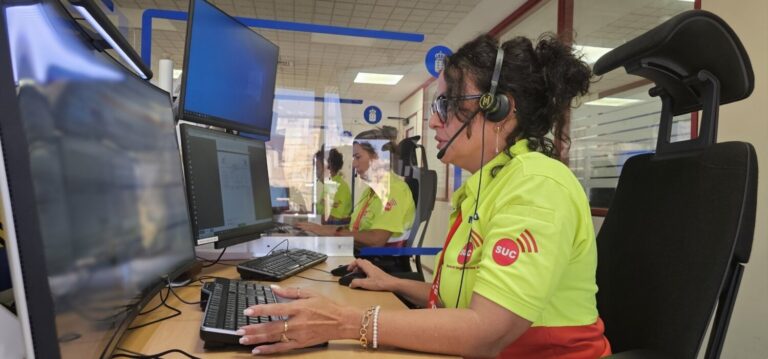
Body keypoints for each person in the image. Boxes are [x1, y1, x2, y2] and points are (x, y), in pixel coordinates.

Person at [237, 33, 611, 358]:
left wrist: (346, 322)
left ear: (499, 109)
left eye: (446, 105)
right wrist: (395, 284)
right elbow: (463, 299)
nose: (433, 120)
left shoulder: (537, 186)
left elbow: (488, 332)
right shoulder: (484, 187)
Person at [296, 129, 416, 251]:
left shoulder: (395, 191)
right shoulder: (370, 192)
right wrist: (322, 229)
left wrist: (333, 232)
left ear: (378, 157)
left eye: (358, 157)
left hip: (377, 260)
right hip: (357, 253)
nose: (353, 164)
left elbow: (376, 240)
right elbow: (355, 229)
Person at [314, 147, 352, 224]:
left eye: (317, 167)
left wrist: (311, 218)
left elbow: (333, 219)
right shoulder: (328, 186)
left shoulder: (340, 187)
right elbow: (319, 211)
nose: (315, 172)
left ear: (328, 167)